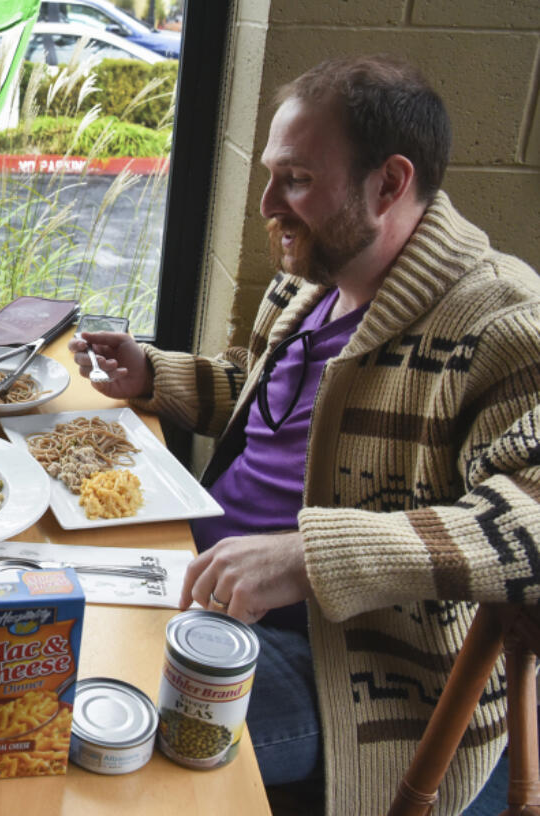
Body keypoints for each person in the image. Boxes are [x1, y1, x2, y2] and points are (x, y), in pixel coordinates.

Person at [70, 55, 540, 815]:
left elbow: (532, 520)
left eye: (294, 180)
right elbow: (270, 399)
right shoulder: (311, 279)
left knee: (93, 712)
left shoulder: (503, 324)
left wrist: (309, 558)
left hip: (351, 669)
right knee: (24, 618)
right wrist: (156, 377)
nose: (264, 204)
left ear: (390, 184)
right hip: (195, 577)